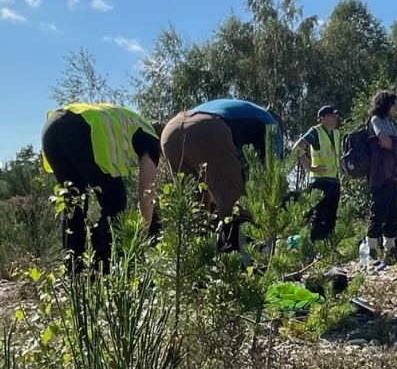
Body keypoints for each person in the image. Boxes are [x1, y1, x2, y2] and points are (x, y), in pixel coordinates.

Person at [41, 102, 161, 272]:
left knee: (73, 204)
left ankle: (74, 272)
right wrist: (142, 231)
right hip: (81, 128)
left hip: (51, 128)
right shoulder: (152, 138)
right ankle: (103, 268)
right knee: (115, 202)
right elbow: (147, 189)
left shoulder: (134, 122)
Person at [160, 98, 284, 250]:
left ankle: (190, 265)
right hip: (207, 129)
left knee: (193, 209)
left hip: (171, 131)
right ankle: (240, 268)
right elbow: (271, 176)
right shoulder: (271, 124)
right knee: (237, 209)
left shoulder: (243, 113)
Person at [366, 90, 397, 260]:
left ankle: (390, 248)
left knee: (394, 209)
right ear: (386, 105)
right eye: (393, 104)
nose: (396, 108)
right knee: (379, 209)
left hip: (393, 173)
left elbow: (392, 144)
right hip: (380, 173)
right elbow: (386, 142)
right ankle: (372, 250)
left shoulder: (390, 123)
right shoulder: (376, 120)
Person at [292, 105, 341, 242]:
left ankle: (327, 249)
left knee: (331, 217)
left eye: (335, 115)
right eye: (331, 115)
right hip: (319, 181)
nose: (334, 118)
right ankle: (315, 248)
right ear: (322, 118)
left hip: (334, 181)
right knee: (319, 216)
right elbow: (297, 148)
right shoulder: (315, 132)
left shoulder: (336, 134)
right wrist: (310, 167)